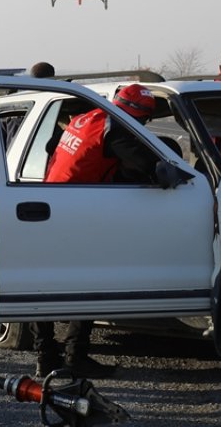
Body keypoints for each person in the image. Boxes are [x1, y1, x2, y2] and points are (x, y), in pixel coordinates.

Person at [33, 84, 160, 379]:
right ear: (137, 115)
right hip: (74, 210)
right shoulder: (117, 129)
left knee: (41, 285)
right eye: (144, 121)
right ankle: (75, 357)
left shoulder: (87, 117)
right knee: (88, 284)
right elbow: (146, 164)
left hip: (48, 203)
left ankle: (45, 357)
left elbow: (52, 147)